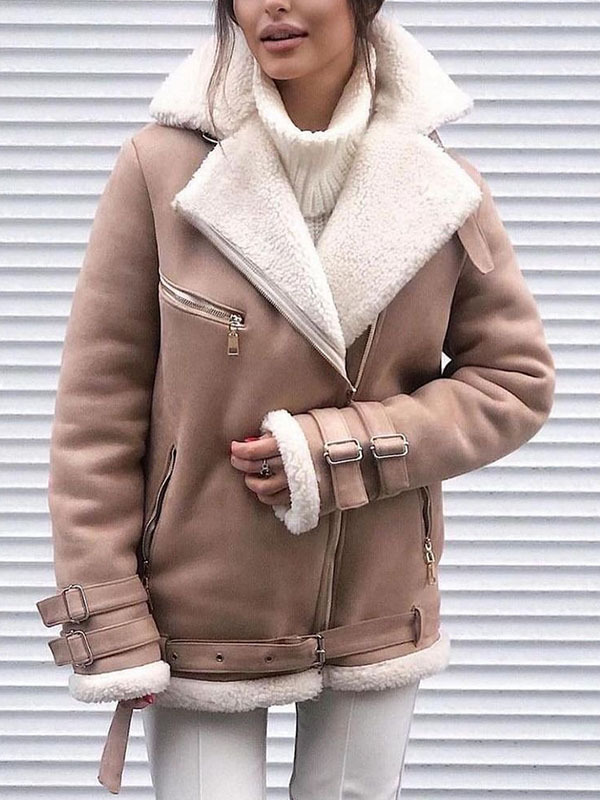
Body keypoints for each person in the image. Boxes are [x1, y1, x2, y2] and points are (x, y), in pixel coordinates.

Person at [34, 1, 556, 797]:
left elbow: (514, 381)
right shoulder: (160, 170)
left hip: (378, 601)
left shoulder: (442, 184)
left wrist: (340, 451)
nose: (271, 5)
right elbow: (95, 418)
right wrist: (109, 616)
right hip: (197, 611)